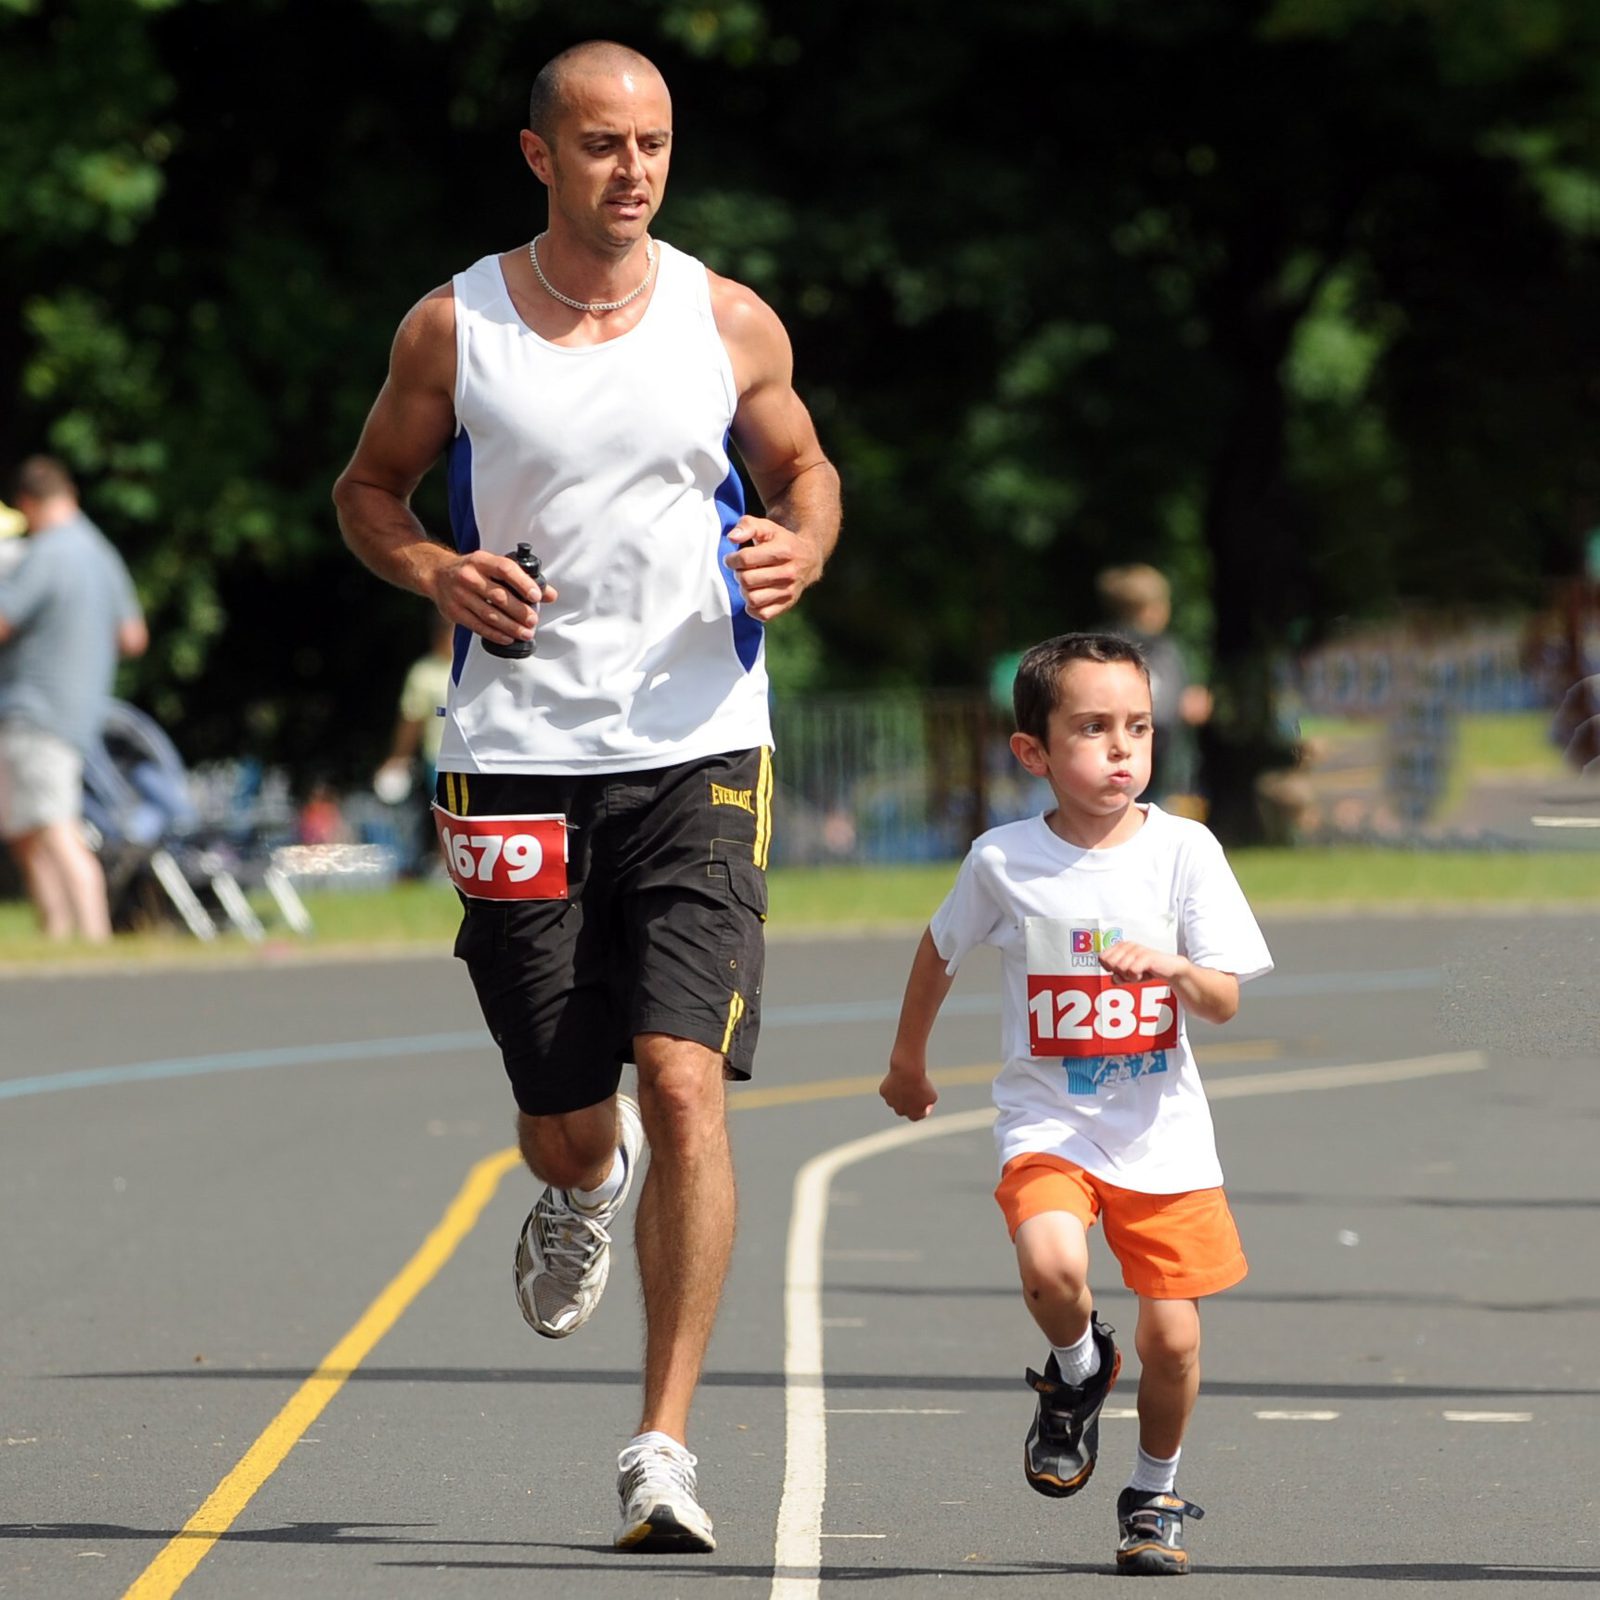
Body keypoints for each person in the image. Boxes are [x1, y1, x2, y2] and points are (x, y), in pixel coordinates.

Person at [332, 40, 840, 1555]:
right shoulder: (456, 326)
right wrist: (432, 567)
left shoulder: (727, 318)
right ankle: (584, 1177)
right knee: (569, 1111)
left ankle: (661, 1444)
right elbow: (369, 494)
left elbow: (807, 467)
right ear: (541, 156)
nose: (634, 171)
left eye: (657, 145)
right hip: (518, 753)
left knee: (685, 1079)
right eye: (605, 144)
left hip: (701, 746)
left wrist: (802, 544)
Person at [880, 632, 1272, 1577]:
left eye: (1136, 727)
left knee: (1174, 1339)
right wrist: (907, 1063)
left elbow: (1222, 999)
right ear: (1035, 752)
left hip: (1164, 1136)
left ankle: (1153, 1490)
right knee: (1054, 1273)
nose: (1121, 749)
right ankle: (1078, 1367)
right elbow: (939, 952)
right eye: (1093, 729)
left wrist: (1175, 967)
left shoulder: (1186, 850)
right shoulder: (1002, 861)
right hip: (1050, 1122)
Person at [0, 456, 147, 941]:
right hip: (80, 709)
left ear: (27, 504)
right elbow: (132, 637)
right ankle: (58, 936)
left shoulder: (46, 553)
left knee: (55, 828)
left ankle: (93, 935)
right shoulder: (100, 552)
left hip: (34, 706)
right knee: (27, 829)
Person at [1096, 564, 1212, 811]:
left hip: (1163, 760)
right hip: (1130, 762)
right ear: (1150, 609)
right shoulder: (1110, 649)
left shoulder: (1168, 649)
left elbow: (1181, 690)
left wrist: (1192, 697)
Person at [372, 611, 454, 875]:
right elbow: (411, 719)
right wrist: (398, 757)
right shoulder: (424, 673)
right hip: (438, 757)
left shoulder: (472, 669)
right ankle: (446, 866)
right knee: (446, 814)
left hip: (476, 757)